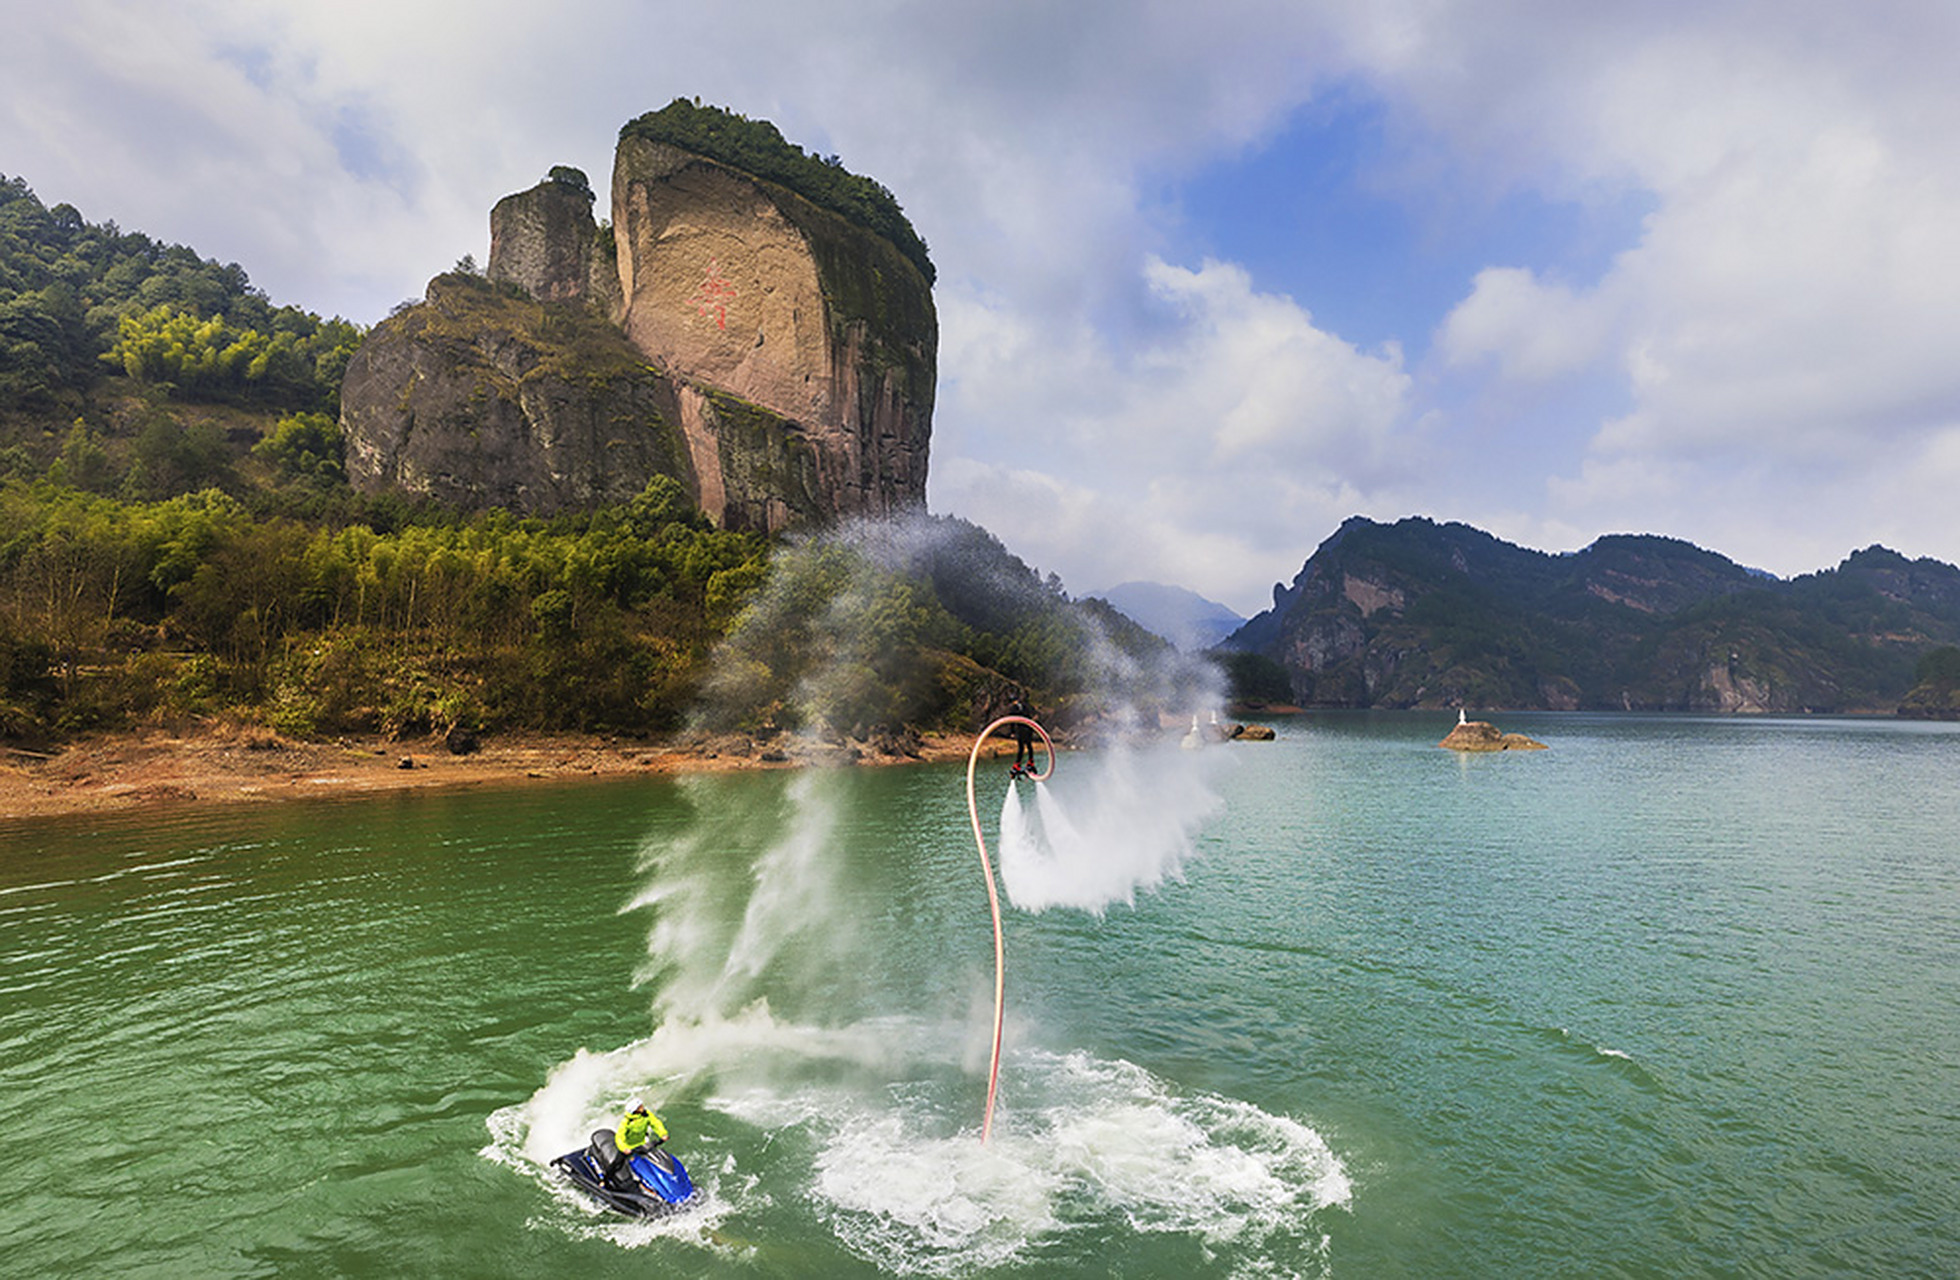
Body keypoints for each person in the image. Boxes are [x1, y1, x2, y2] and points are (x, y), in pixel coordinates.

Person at [605, 1101, 668, 1184]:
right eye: (639, 1106)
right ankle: (604, 1180)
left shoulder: (646, 1114)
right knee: (617, 1164)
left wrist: (663, 1134)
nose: (642, 1107)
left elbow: (655, 1123)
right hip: (629, 1147)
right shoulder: (626, 1122)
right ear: (635, 1110)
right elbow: (619, 1137)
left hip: (642, 1143)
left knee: (654, 1159)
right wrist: (624, 1148)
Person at [1007, 694, 1037, 772]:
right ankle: (1030, 761)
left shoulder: (1013, 708)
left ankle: (1018, 764)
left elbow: (1012, 721)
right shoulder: (1024, 706)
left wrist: (1012, 732)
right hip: (1028, 727)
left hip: (1022, 728)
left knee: (1021, 747)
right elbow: (1030, 715)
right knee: (1029, 745)